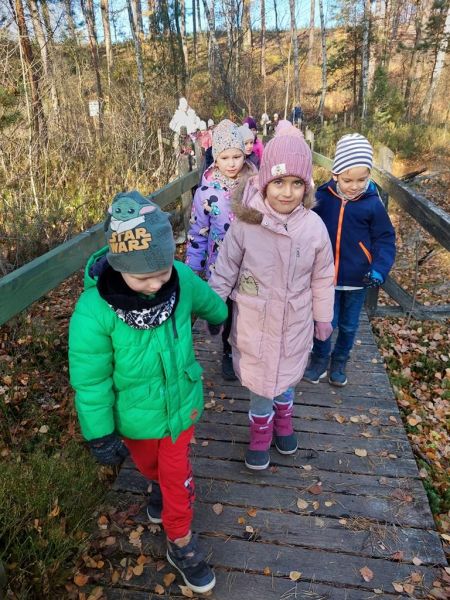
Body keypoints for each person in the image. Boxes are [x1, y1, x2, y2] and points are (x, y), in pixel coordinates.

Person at [68, 191, 227, 594]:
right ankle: (155, 484)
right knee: (149, 466)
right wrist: (100, 433)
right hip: (135, 416)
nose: (157, 283)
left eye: (162, 272)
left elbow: (207, 299)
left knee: (177, 477)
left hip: (180, 407)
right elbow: (91, 380)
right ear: (120, 266)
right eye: (144, 278)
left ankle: (180, 542)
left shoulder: (180, 279)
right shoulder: (94, 311)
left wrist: (219, 316)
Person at [209, 135, 335, 470]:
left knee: (287, 375)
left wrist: (323, 317)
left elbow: (323, 276)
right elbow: (225, 267)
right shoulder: (246, 225)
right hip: (255, 322)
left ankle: (284, 420)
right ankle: (260, 433)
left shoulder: (314, 228)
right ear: (265, 182)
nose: (287, 192)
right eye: (279, 182)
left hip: (294, 321)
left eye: (297, 183)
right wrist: (215, 306)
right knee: (261, 383)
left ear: (306, 187)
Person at [303, 133, 396, 387]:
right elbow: (305, 226)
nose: (355, 186)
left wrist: (379, 268)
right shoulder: (322, 198)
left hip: (358, 279)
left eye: (362, 180)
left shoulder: (372, 204)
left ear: (369, 176)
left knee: (348, 325)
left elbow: (385, 239)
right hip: (324, 277)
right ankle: (319, 359)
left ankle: (340, 361)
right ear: (335, 174)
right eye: (348, 180)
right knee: (324, 321)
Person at [185, 119, 257, 380]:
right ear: (216, 158)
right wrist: (193, 267)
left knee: (245, 310)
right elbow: (198, 232)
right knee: (224, 306)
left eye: (236, 156)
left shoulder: (255, 185)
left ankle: (237, 349)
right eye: (225, 157)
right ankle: (223, 339)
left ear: (244, 154)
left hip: (251, 262)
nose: (231, 163)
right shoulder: (206, 193)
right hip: (219, 263)